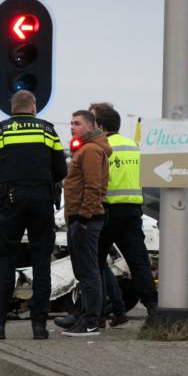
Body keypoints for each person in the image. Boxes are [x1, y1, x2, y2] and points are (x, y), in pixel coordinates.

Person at [0, 90, 67, 341]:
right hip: (42, 199)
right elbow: (61, 169)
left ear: (11, 107)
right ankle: (39, 326)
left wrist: (6, 182)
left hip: (11, 199)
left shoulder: (0, 131)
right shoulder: (47, 131)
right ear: (34, 107)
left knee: (5, 260)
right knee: (41, 262)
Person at [89, 103, 158, 325]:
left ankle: (95, 315)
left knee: (94, 262)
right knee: (138, 262)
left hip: (108, 211)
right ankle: (153, 309)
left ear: (100, 125)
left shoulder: (100, 147)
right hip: (133, 211)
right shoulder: (134, 147)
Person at [61, 110, 111, 337]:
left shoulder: (90, 150)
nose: (72, 127)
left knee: (89, 272)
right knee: (83, 271)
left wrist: (83, 217)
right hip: (79, 217)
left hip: (86, 220)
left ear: (90, 127)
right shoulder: (85, 149)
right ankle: (85, 317)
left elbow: (93, 186)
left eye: (77, 123)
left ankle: (91, 321)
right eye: (71, 123)